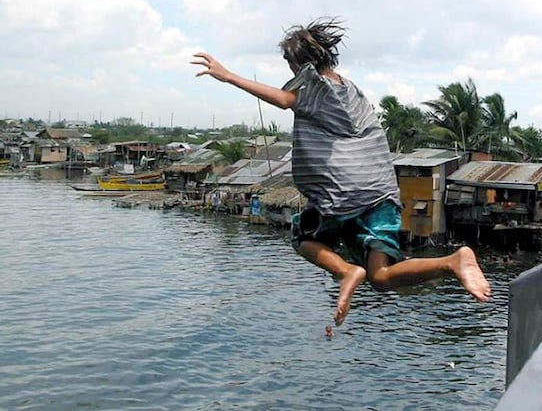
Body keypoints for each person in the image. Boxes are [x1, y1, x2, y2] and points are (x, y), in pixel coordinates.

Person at [192, 17, 491, 326]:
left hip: (343, 192)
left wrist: (227, 76)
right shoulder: (352, 90)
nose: (291, 73)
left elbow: (283, 100)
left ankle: (345, 270)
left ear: (300, 64)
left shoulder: (314, 86)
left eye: (291, 66)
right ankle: (453, 261)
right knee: (381, 277)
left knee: (304, 240)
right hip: (381, 191)